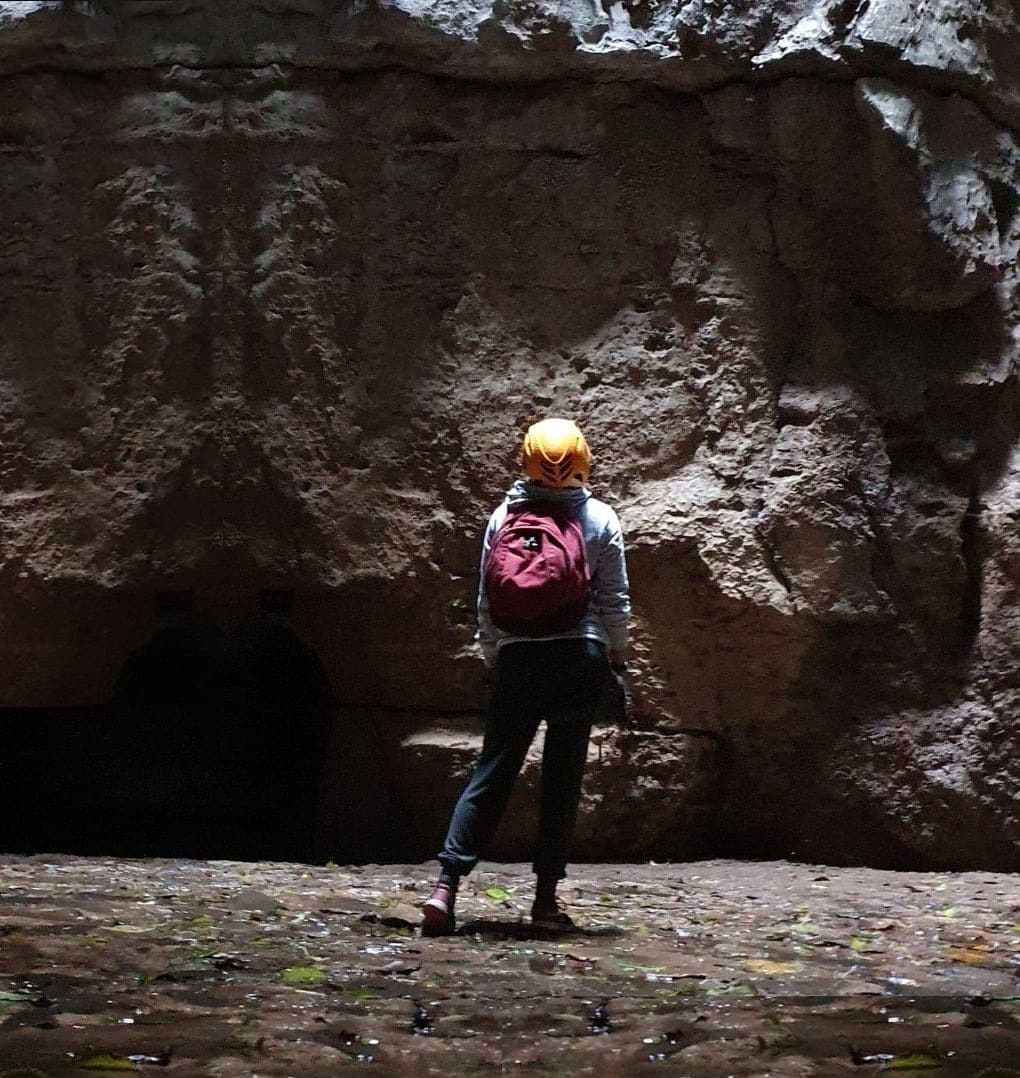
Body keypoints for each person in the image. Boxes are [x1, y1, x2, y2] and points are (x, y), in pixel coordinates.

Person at [421, 417, 631, 936]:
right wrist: (616, 656)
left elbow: (486, 602)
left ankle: (445, 889)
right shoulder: (601, 518)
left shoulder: (503, 516)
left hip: (519, 660)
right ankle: (544, 901)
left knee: (492, 771)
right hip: (578, 656)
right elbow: (614, 601)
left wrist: (498, 658)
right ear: (583, 458)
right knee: (562, 777)